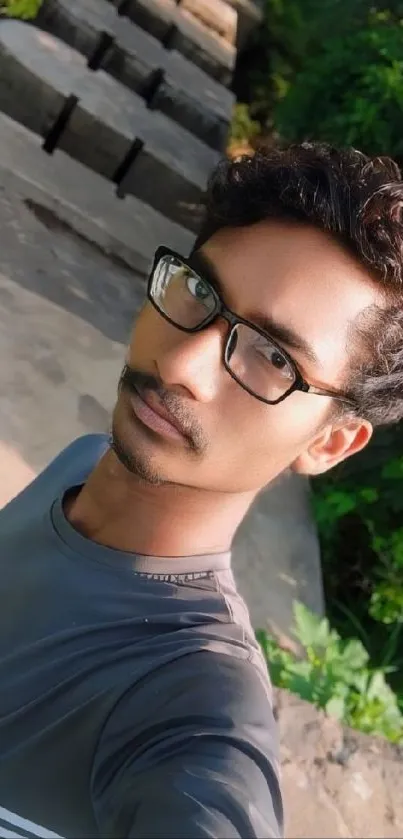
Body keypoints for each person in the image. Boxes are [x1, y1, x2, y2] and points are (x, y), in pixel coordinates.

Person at [1, 142, 403, 839]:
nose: (181, 361)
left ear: (328, 443)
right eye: (200, 290)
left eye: (273, 355)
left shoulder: (195, 710)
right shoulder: (85, 462)